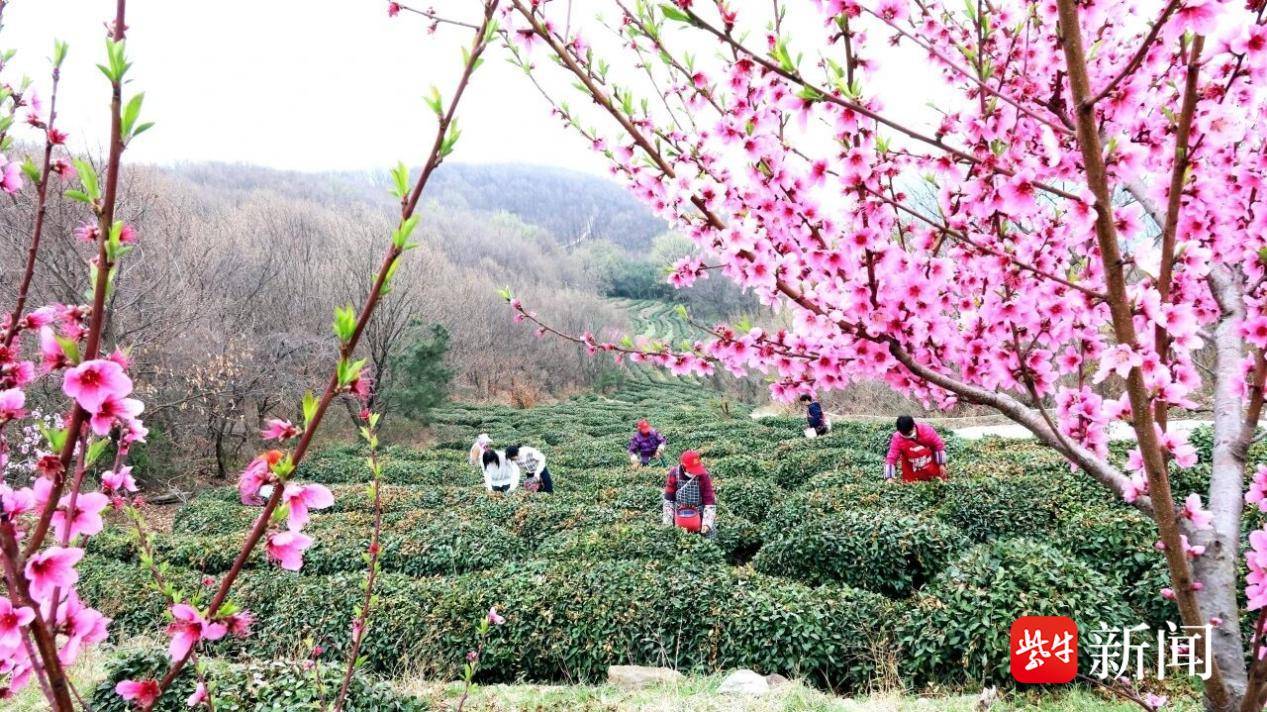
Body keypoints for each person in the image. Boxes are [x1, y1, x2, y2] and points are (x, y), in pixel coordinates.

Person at [662, 450, 716, 537]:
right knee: (677, 538)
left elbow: (709, 502)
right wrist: (667, 523)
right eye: (691, 470)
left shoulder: (703, 475)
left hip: (699, 514)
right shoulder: (674, 473)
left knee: (707, 537)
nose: (695, 473)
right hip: (680, 514)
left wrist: (707, 524)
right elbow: (669, 500)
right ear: (683, 466)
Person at [885, 415, 948, 483]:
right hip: (911, 470)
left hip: (930, 465)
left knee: (935, 482)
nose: (907, 436)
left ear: (913, 426)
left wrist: (941, 464)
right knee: (914, 486)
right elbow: (892, 457)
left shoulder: (926, 430)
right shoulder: (897, 438)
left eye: (909, 434)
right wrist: (889, 477)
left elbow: (938, 445)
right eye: (904, 434)